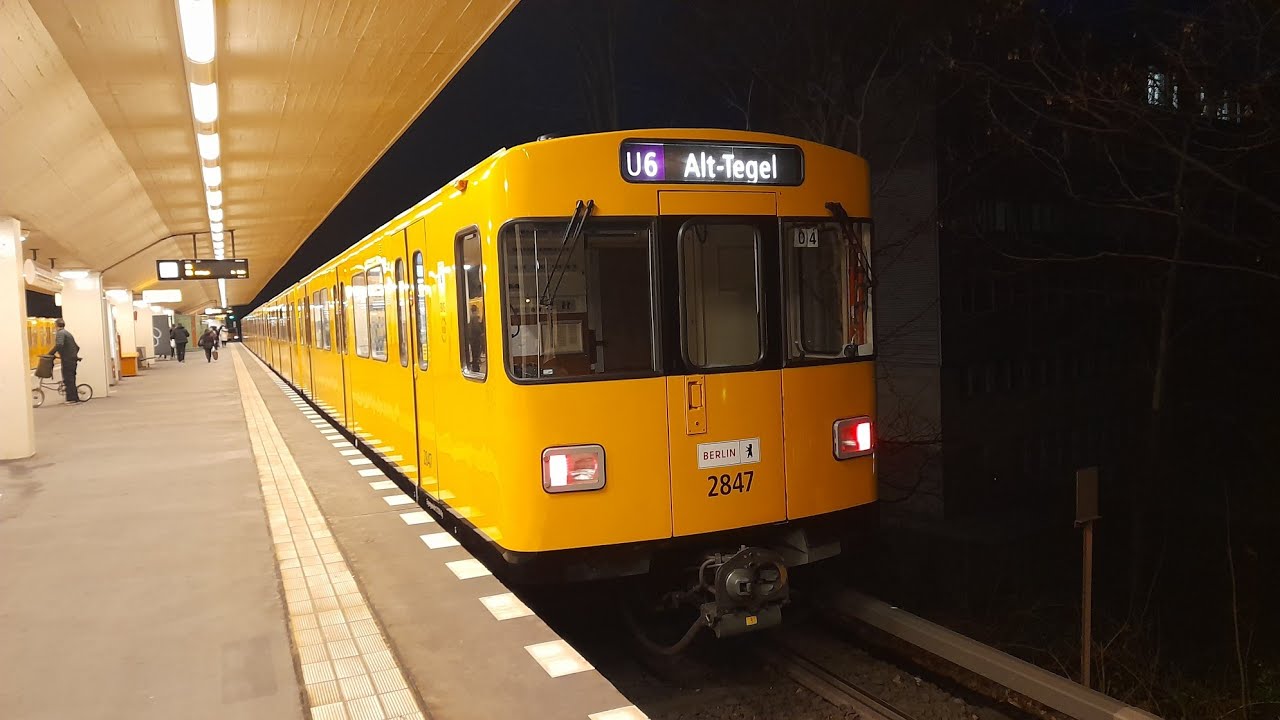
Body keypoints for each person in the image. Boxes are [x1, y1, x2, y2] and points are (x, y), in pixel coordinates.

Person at [47, 318, 81, 403]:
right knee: (71, 378)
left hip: (68, 360)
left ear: (56, 325)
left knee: (68, 379)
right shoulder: (67, 333)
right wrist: (72, 355)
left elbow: (59, 345)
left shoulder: (60, 333)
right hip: (72, 360)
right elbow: (77, 347)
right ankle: (74, 398)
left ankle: (72, 399)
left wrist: (50, 353)